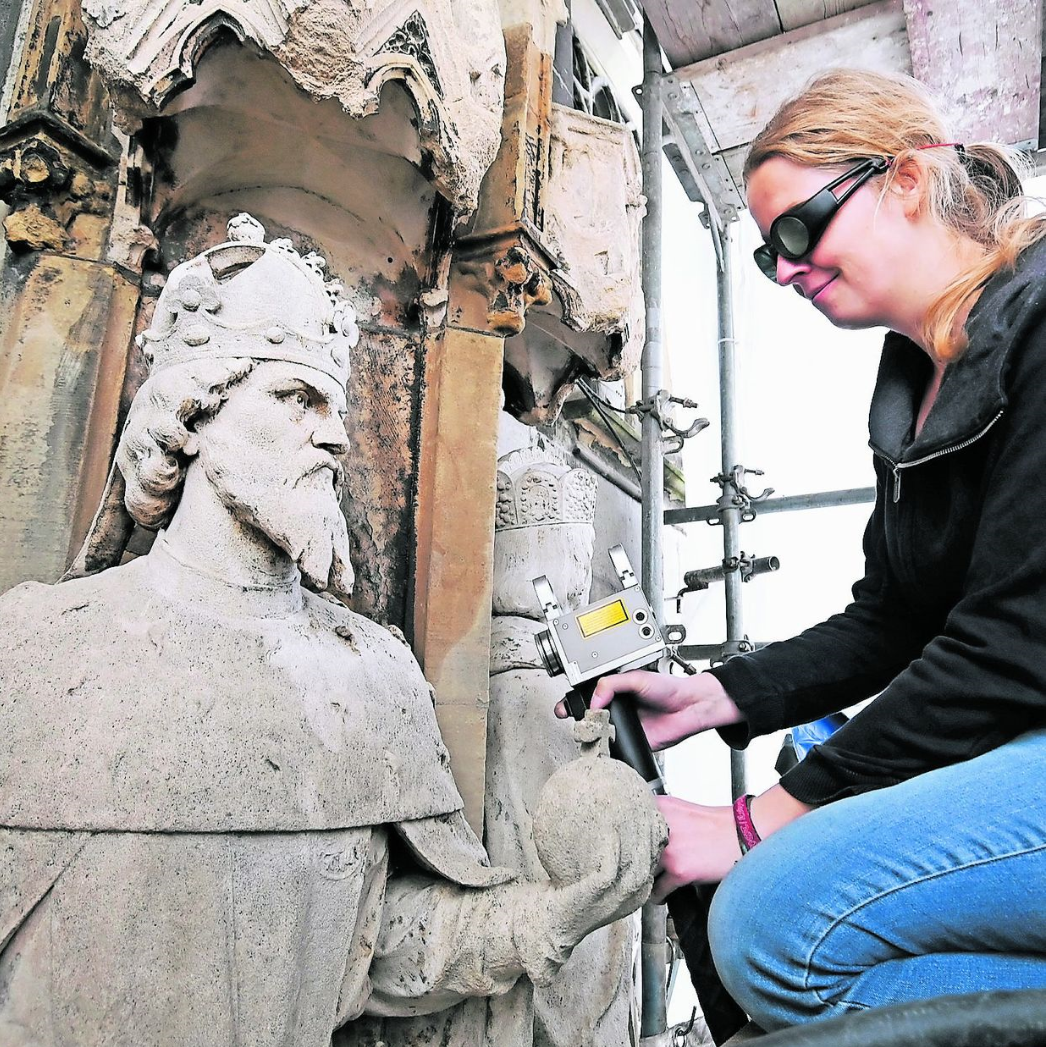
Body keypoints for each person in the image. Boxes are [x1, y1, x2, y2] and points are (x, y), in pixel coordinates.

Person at [0, 214, 666, 1047]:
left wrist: (555, 910)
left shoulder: (374, 674)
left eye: (337, 405)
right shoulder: (36, 648)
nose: (336, 434)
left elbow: (378, 941)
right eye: (296, 398)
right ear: (190, 415)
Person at [573, 69, 1046, 1031]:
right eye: (766, 255)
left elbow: (1014, 643)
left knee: (771, 924)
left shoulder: (1038, 320)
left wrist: (756, 822)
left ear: (905, 180)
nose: (786, 271)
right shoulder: (918, 375)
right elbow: (894, 619)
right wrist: (717, 696)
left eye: (797, 230)